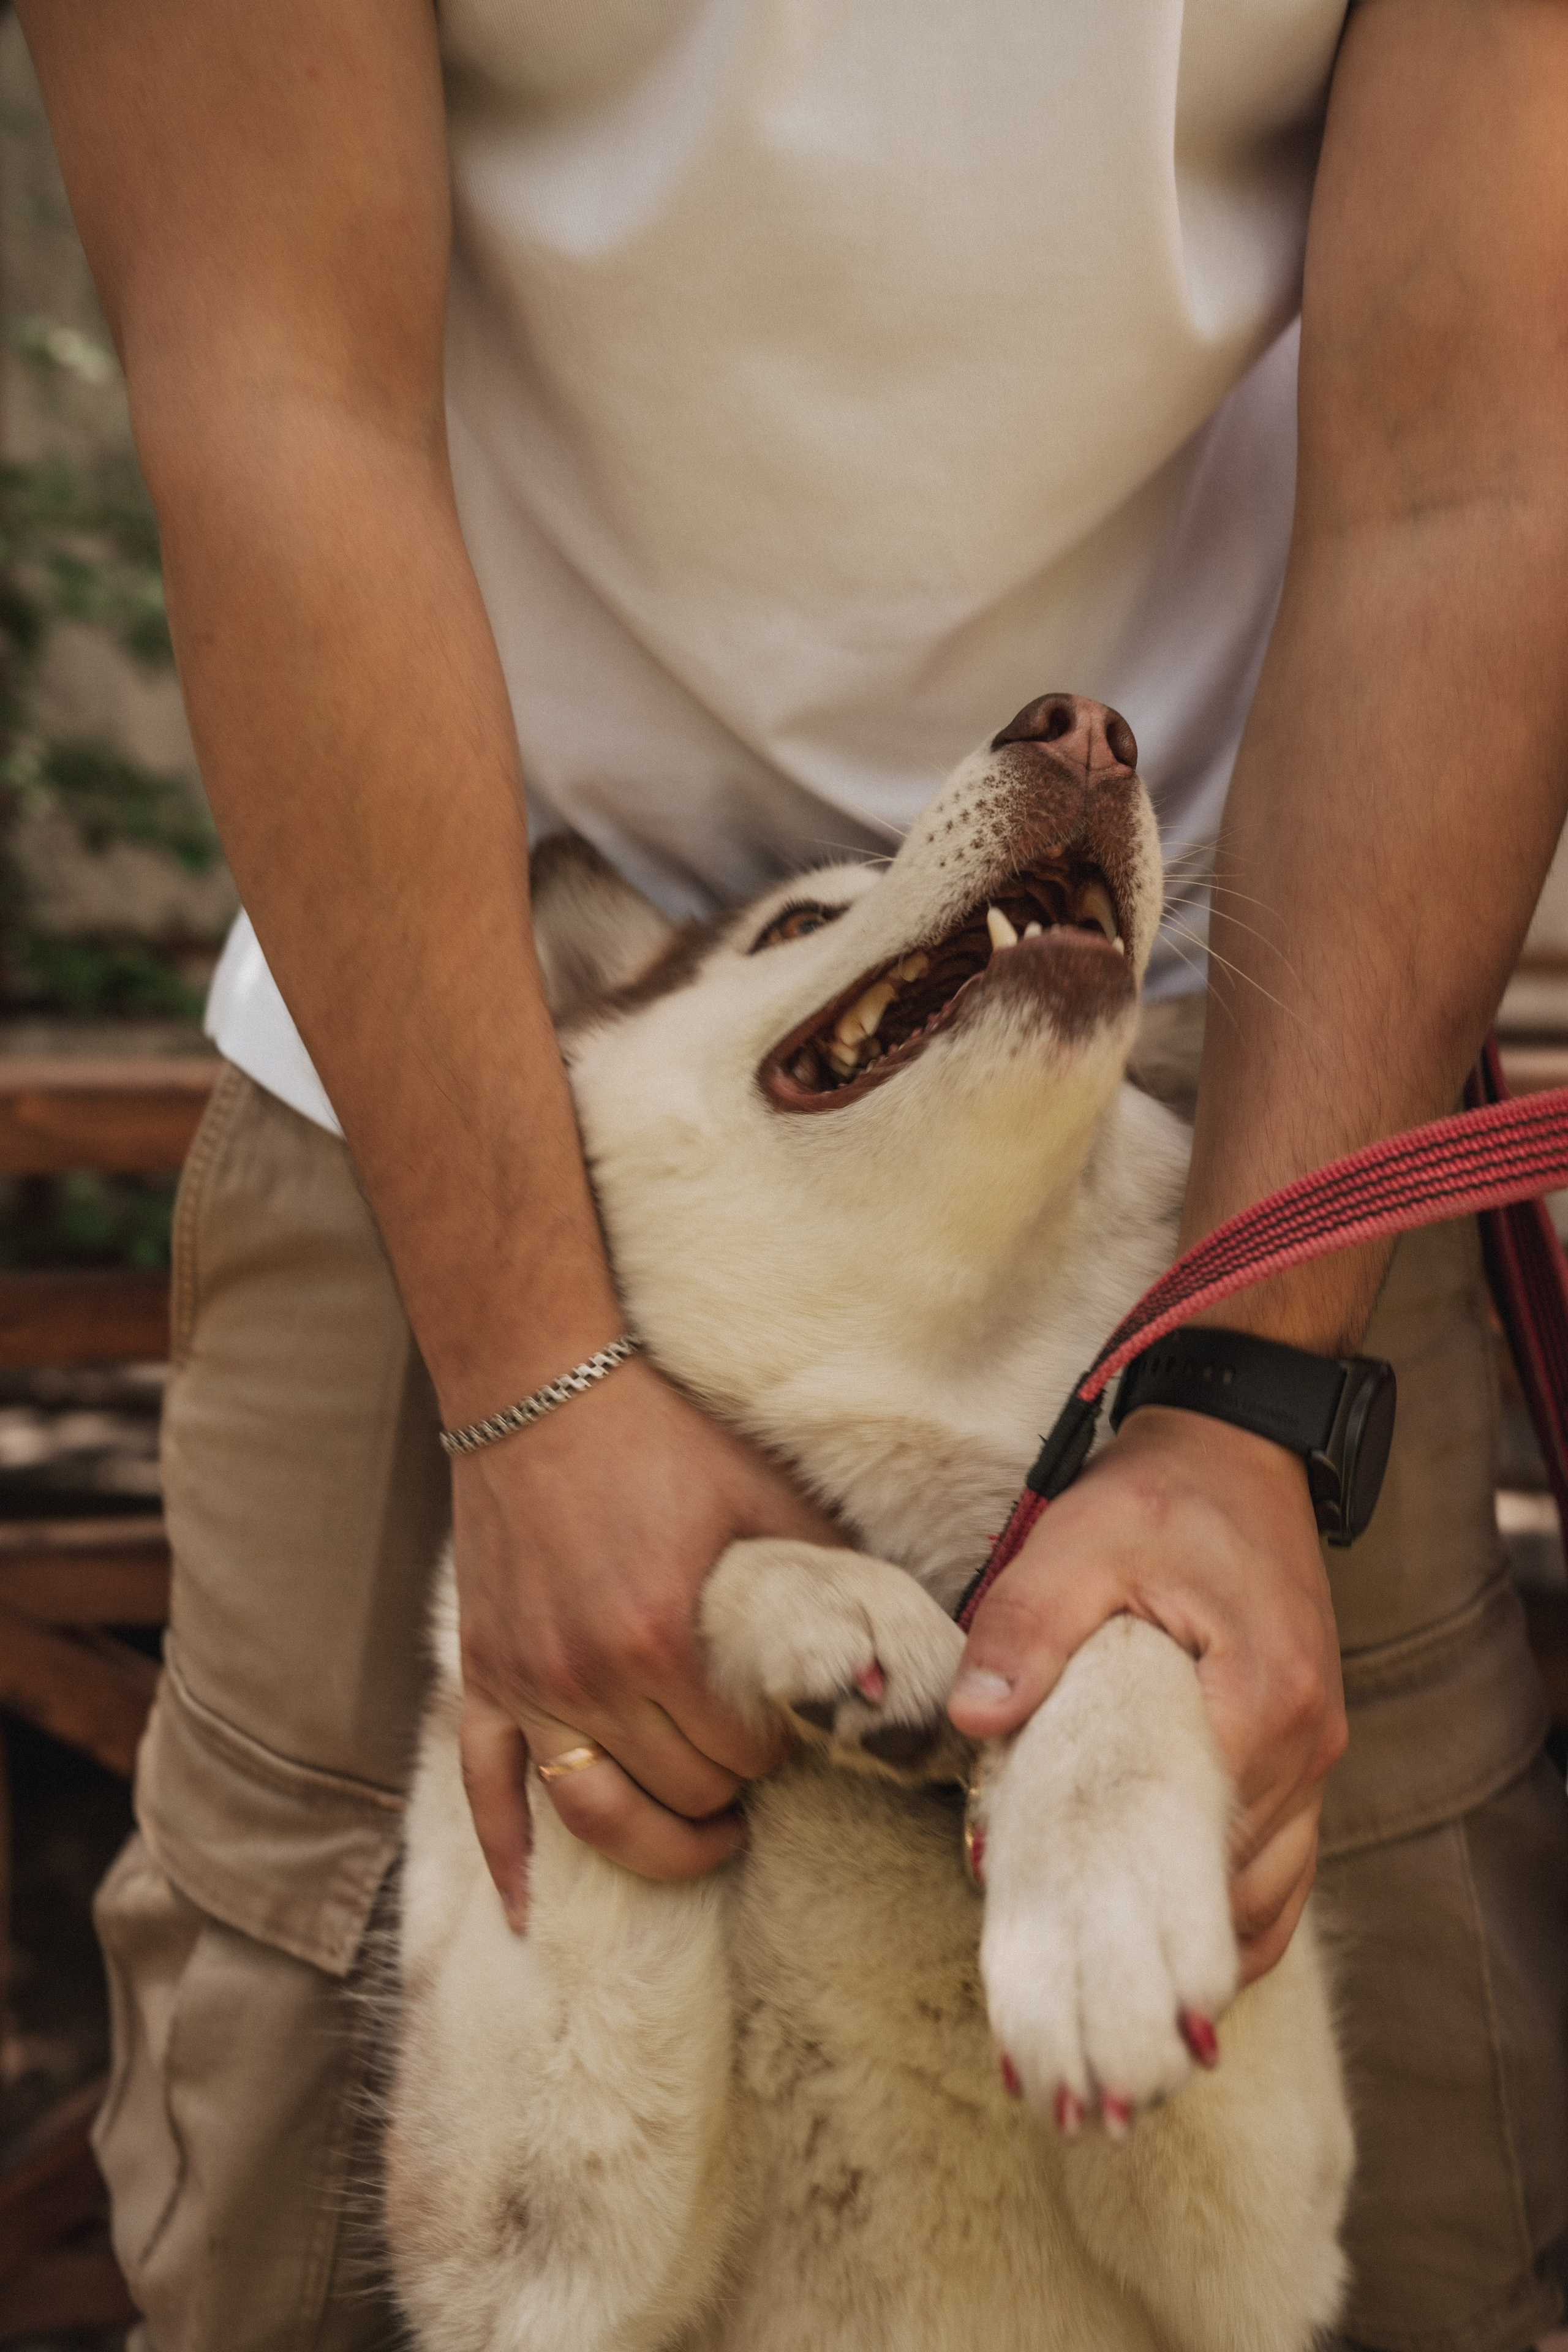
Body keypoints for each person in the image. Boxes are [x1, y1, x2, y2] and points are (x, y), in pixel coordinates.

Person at [20, 0, 1568, 2345]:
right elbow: (273, 391)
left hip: (1249, 1064)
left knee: (1424, 2251)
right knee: (292, 2269)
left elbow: (1484, 464)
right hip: (463, 1033)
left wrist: (1251, 1393)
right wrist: (533, 1373)